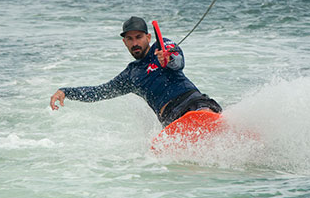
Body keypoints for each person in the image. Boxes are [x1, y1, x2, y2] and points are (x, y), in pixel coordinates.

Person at [50, 16, 222, 127]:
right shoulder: (131, 75)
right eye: (130, 39)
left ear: (148, 37)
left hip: (193, 102)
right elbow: (98, 92)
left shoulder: (163, 46)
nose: (135, 43)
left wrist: (168, 59)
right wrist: (66, 92)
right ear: (124, 42)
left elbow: (179, 62)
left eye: (139, 37)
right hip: (171, 119)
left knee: (203, 116)